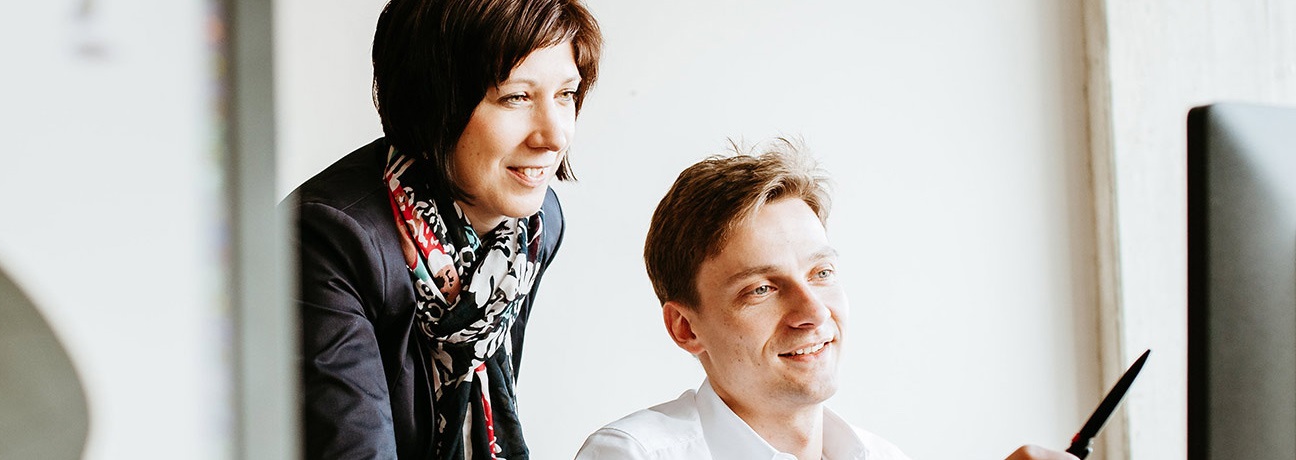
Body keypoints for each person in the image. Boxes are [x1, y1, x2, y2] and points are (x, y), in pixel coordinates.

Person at [574, 140, 1077, 460]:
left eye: (821, 273)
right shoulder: (633, 455)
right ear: (686, 328)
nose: (814, 312)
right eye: (761, 289)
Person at [282, 0, 600, 458]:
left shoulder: (534, 225)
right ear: (433, 102)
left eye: (566, 94)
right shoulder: (329, 238)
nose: (553, 136)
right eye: (516, 97)